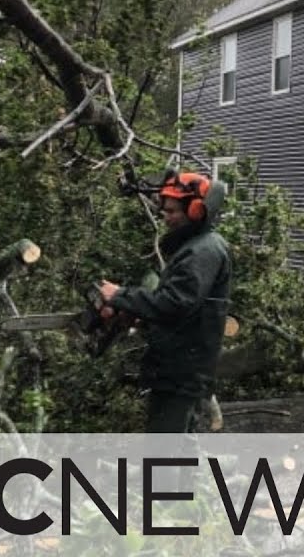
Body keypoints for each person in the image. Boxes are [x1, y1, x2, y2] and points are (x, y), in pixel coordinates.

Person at [99, 171, 231, 433]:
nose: (166, 218)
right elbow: (181, 307)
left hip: (182, 368)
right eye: (165, 211)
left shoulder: (202, 251)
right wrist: (138, 313)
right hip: (178, 364)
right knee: (179, 447)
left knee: (163, 452)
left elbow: (176, 302)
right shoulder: (196, 246)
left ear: (195, 211)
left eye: (172, 212)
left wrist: (119, 295)